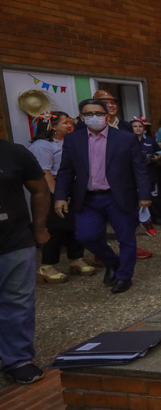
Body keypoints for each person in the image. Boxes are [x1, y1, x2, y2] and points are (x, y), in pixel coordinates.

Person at [54, 99, 152, 294]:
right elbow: (65, 170)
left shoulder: (125, 138)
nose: (94, 117)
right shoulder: (73, 139)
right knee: (86, 236)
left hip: (118, 196)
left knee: (125, 238)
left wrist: (144, 194)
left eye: (98, 113)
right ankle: (112, 262)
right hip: (88, 198)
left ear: (106, 116)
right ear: (81, 117)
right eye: (88, 114)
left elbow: (139, 169)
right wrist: (60, 196)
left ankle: (124, 276)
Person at [0, 138, 50, 384]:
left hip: (15, 240)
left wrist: (39, 228)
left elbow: (40, 189)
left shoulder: (13, 152)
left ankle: (18, 359)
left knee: (18, 301)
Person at [29, 112, 95, 283]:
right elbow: (45, 172)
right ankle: (47, 265)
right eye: (65, 123)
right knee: (56, 228)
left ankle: (76, 259)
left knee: (75, 224)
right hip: (53, 189)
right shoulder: (42, 145)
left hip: (72, 186)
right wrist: (59, 194)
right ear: (53, 126)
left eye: (70, 122)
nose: (70, 126)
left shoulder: (68, 141)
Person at [131, 117, 161, 235]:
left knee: (153, 196)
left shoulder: (150, 140)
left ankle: (156, 217)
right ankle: (137, 221)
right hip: (133, 174)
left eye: (140, 126)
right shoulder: (127, 140)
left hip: (150, 172)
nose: (138, 128)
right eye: (135, 126)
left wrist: (155, 157)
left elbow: (159, 152)